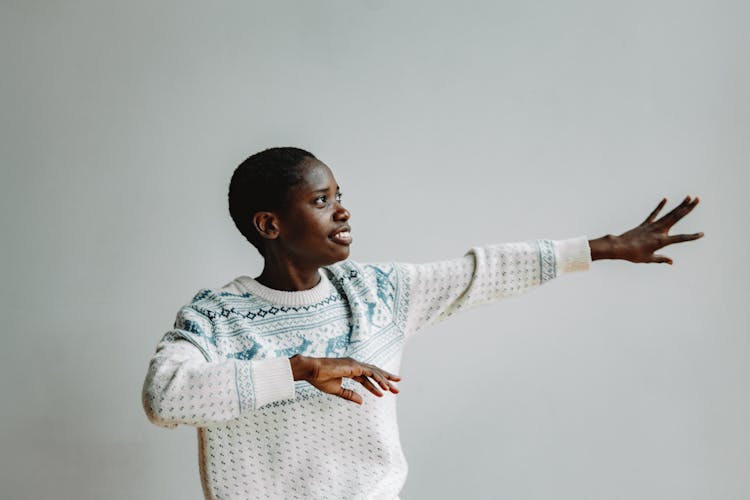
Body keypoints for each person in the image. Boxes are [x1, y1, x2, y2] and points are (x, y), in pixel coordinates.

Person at [141, 147, 703, 499]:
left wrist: (601, 248)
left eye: (340, 196)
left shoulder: (377, 293)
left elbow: (481, 271)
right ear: (270, 223)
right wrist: (300, 369)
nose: (342, 210)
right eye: (320, 200)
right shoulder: (219, 317)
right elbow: (166, 399)